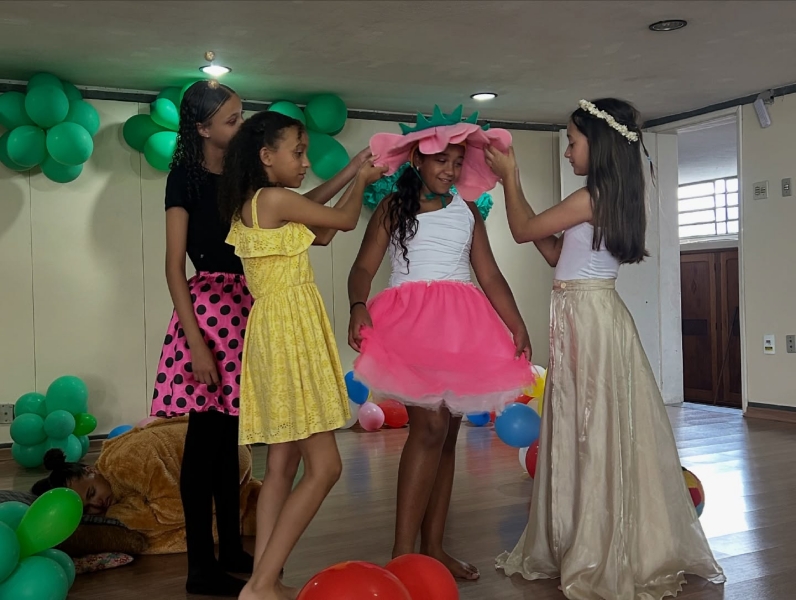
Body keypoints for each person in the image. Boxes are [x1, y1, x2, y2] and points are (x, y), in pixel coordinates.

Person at [489, 98, 725, 599]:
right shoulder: (605, 197)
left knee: (591, 423)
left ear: (597, 146)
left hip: (588, 315)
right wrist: (533, 222)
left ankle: (599, 541)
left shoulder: (589, 196)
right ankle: (585, 532)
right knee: (589, 420)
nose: (568, 151)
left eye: (572, 142)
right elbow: (554, 251)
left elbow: (522, 229)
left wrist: (510, 178)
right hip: (588, 312)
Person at [151, 80, 372, 597]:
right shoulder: (188, 178)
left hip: (253, 310)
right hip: (214, 313)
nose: (240, 126)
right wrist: (195, 342)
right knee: (207, 440)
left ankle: (243, 558)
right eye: (231, 120)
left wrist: (350, 172)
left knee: (244, 447)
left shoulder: (248, 185)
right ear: (202, 129)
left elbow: (303, 212)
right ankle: (203, 564)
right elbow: (174, 265)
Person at [347, 106, 533, 580]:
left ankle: (433, 547)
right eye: (440, 161)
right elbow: (363, 267)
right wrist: (358, 304)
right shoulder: (393, 208)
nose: (450, 170)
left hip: (460, 328)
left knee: (447, 434)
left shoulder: (467, 211)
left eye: (457, 162)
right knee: (428, 428)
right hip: (409, 325)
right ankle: (401, 553)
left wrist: (515, 323)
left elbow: (489, 274)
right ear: (417, 160)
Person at [220, 110, 386, 600]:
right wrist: (361, 181)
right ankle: (261, 584)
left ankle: (264, 579)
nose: (306, 162)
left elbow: (317, 218)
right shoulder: (273, 199)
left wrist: (352, 169)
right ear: (266, 156)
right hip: (290, 333)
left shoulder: (259, 201)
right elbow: (342, 222)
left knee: (282, 465)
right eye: (298, 152)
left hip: (275, 331)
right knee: (326, 467)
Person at [30, 421, 261, 555]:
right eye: (88, 508)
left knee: (144, 530)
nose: (97, 505)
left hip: (229, 456)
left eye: (92, 493)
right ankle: (249, 500)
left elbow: (176, 509)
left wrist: (121, 516)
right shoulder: (114, 478)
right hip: (226, 454)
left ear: (91, 470)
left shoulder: (124, 464)